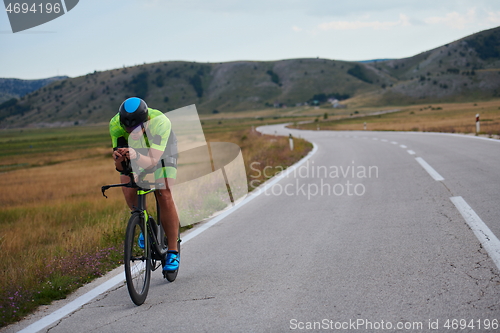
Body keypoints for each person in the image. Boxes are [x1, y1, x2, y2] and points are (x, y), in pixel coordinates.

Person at [109, 97, 180, 273]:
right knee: (128, 189)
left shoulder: (160, 122)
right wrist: (119, 160)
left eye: (136, 129)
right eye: (128, 129)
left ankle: (173, 251)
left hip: (161, 151)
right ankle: (144, 223)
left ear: (146, 121)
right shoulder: (115, 125)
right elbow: (120, 168)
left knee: (163, 192)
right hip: (136, 152)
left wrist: (136, 156)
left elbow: (153, 161)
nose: (131, 132)